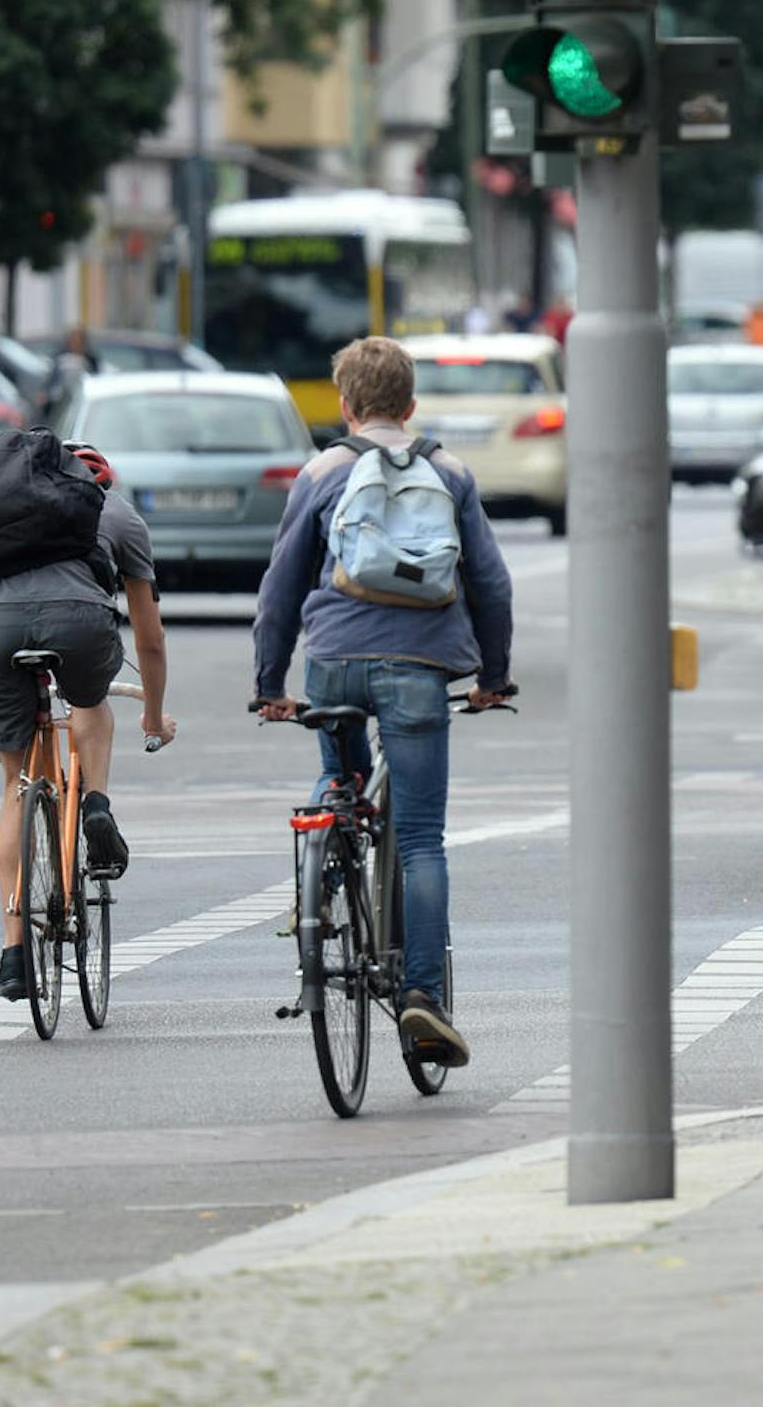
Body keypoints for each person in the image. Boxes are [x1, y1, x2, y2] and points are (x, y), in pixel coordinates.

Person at [251, 336, 514, 1067]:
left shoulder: (321, 471)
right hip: (421, 669)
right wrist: (492, 675)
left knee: (339, 777)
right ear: (410, 403)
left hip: (334, 661)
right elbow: (490, 584)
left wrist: (271, 683)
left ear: (344, 404)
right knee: (422, 839)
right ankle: (421, 998)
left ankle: (321, 874)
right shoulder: (451, 473)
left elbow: (281, 586)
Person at [0, 441, 176, 1002]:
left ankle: (14, 956)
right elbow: (150, 640)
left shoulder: (6, 507)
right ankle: (96, 805)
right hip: (79, 624)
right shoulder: (121, 515)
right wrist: (153, 718)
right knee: (89, 701)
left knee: (15, 784)